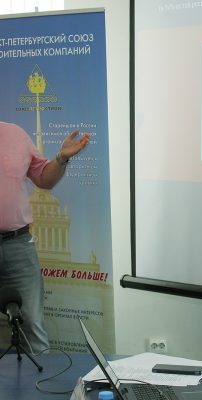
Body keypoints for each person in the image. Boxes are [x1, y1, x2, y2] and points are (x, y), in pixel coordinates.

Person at [0, 121, 89, 353]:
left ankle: (39, 376)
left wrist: (61, 158)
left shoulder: (16, 134)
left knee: (32, 323)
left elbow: (44, 179)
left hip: (18, 246)